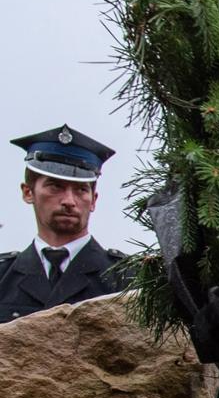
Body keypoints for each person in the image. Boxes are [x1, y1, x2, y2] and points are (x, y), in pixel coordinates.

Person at [2, 125, 129, 322]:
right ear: (28, 192)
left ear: (94, 199)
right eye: (55, 186)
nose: (69, 200)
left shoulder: (127, 279)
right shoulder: (3, 277)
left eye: (80, 190)